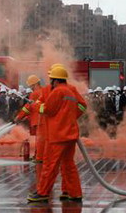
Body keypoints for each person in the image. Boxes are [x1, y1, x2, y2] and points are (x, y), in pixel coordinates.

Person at [28, 65, 86, 203]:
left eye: (51, 79)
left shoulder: (57, 92)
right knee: (69, 165)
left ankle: (42, 193)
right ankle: (75, 193)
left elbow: (47, 109)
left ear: (55, 80)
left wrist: (35, 105)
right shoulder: (70, 92)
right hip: (70, 134)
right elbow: (75, 109)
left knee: (49, 165)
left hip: (57, 135)